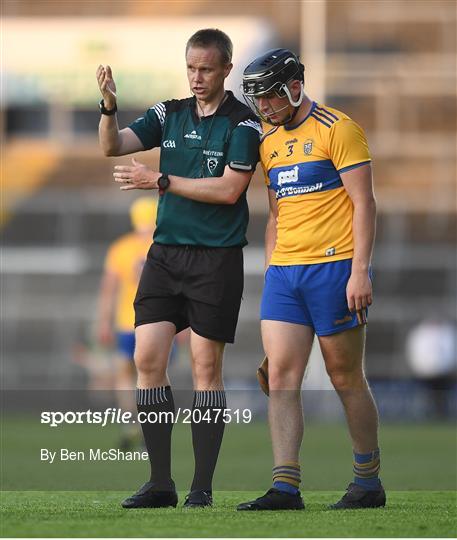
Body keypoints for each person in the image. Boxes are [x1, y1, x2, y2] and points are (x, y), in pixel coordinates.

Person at [96, 28, 260, 509]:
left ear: (226, 69)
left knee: (206, 369)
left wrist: (160, 180)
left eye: (206, 68)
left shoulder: (244, 125)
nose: (196, 77)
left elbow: (230, 190)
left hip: (216, 259)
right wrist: (109, 107)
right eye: (190, 67)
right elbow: (113, 146)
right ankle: (160, 482)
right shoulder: (170, 112)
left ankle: (202, 488)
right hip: (165, 256)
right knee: (148, 360)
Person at [237, 48, 385, 511]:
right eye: (256, 99)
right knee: (280, 375)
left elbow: (365, 203)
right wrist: (271, 268)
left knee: (344, 376)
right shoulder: (267, 142)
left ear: (294, 88)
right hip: (286, 274)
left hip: (335, 268)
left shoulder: (338, 129)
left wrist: (359, 271)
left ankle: (367, 480)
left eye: (268, 97)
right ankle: (285, 486)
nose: (262, 107)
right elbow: (276, 214)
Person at [96, 197, 157, 450]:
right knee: (153, 376)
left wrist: (103, 322)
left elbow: (108, 290)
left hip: (125, 322)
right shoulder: (163, 244)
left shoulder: (120, 248)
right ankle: (150, 425)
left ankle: (131, 423)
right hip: (156, 323)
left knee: (125, 376)